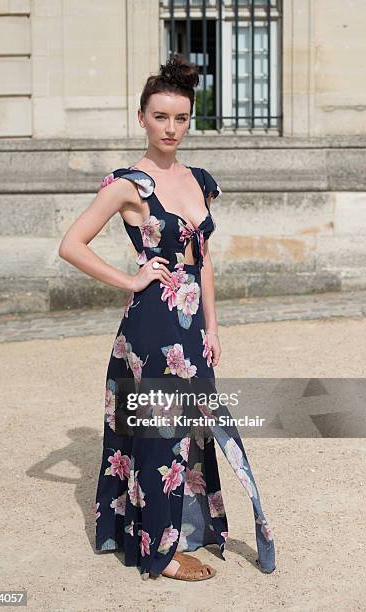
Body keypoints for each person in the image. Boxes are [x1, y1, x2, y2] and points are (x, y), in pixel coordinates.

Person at [58, 53, 276, 581]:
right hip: (152, 327)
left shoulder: (199, 180)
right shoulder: (128, 184)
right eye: (161, 117)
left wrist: (214, 328)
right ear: (142, 118)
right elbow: (71, 244)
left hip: (193, 328)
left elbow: (203, 261)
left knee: (191, 431)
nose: (171, 128)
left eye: (181, 118)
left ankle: (184, 530)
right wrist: (132, 278)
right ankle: (159, 552)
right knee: (159, 435)